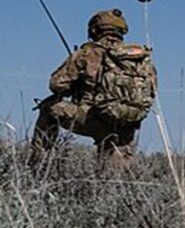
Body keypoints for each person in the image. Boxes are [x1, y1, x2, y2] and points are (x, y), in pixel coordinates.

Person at [31, 9, 157, 169]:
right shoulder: (139, 59)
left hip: (92, 117)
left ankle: (39, 165)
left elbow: (56, 85)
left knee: (48, 108)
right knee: (116, 176)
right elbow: (152, 91)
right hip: (127, 124)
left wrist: (77, 82)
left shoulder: (86, 53)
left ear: (94, 30)